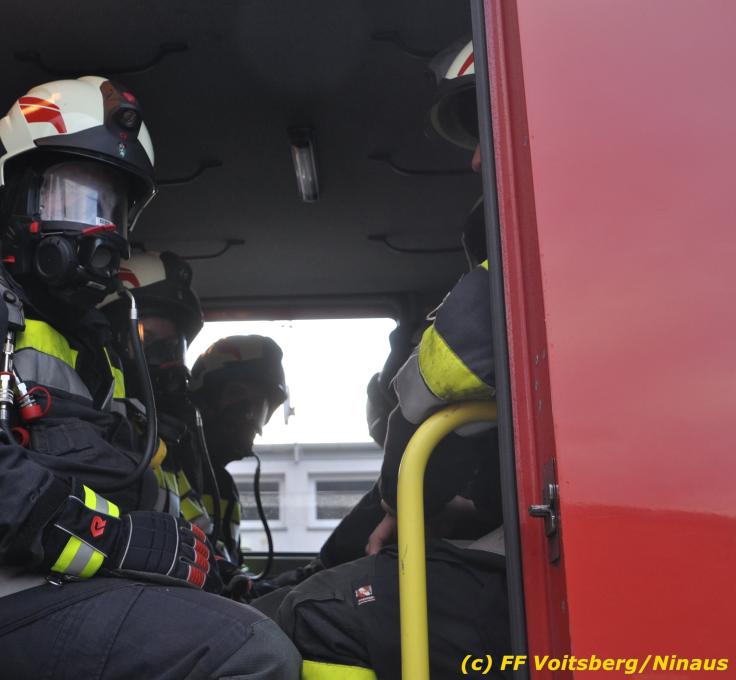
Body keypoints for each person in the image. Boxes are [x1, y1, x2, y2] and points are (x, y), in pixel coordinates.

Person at [0, 76, 300, 680]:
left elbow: (130, 478)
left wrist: (205, 561)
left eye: (113, 209)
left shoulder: (92, 347)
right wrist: (112, 538)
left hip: (44, 585)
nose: (100, 228)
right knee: (248, 652)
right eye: (77, 199)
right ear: (14, 191)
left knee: (275, 625)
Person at [262, 40, 511, 679]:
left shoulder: (528, 264)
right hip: (559, 541)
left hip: (548, 560)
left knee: (313, 616)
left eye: (490, 128)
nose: (475, 158)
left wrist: (403, 499)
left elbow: (437, 378)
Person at [100, 250, 215, 532]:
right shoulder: (96, 428)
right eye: (145, 339)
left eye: (172, 346)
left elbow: (199, 528)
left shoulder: (164, 439)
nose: (163, 358)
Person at [189, 335, 288, 583]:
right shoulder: (173, 467)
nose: (248, 413)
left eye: (259, 404)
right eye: (237, 394)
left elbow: (227, 568)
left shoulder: (224, 485)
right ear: (205, 401)